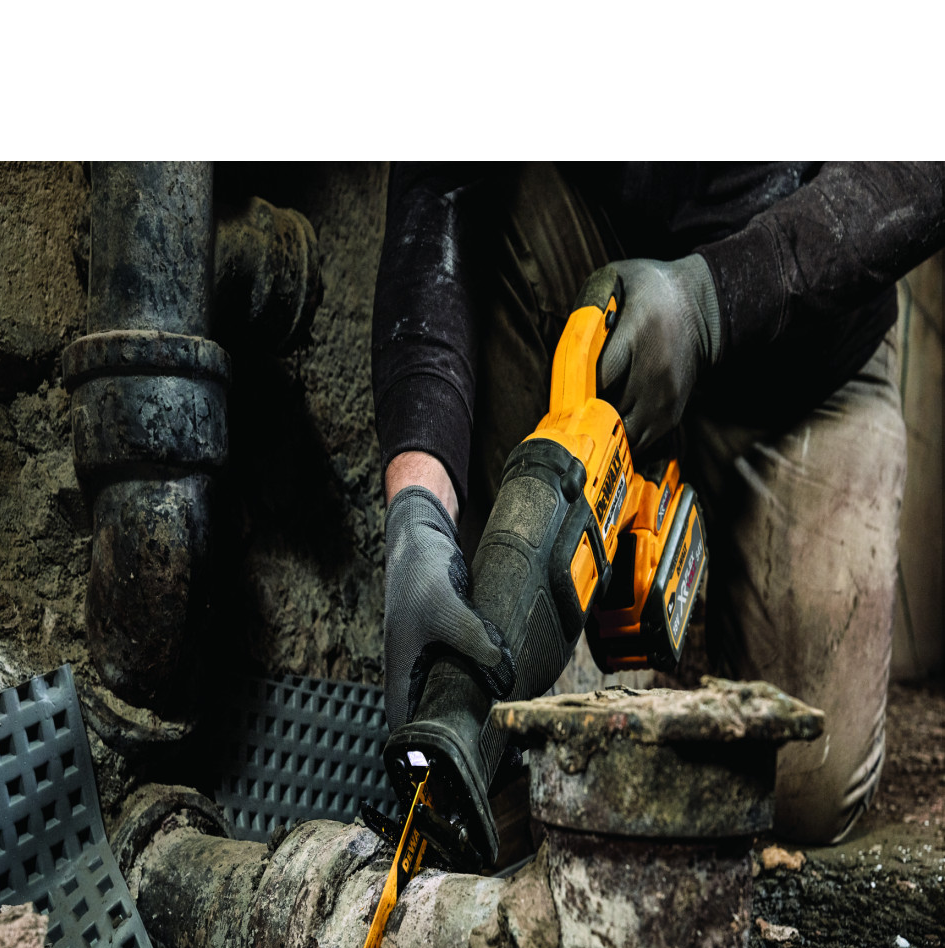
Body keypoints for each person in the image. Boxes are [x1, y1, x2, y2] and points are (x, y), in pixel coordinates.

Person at [372, 162, 945, 845]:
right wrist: (417, 512)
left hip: (808, 360)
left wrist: (707, 302)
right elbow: (438, 181)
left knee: (800, 789)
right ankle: (488, 711)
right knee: (550, 786)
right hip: (604, 298)